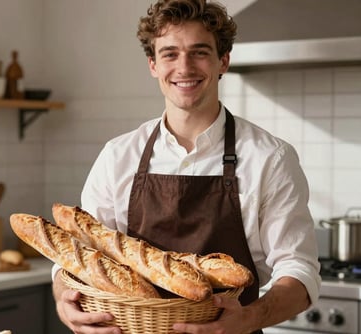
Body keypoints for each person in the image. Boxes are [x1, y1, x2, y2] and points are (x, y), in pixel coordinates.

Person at [52, 0, 321, 333]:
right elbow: (78, 254)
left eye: (199, 52)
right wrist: (65, 300)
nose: (184, 68)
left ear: (223, 60)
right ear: (153, 64)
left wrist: (250, 317)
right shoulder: (118, 156)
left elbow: (300, 270)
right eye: (169, 54)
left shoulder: (270, 158)